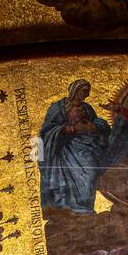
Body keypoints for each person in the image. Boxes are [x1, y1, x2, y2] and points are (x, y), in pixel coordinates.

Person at [40, 80, 111, 212]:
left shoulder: (87, 108)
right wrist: (65, 129)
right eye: (84, 91)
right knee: (68, 179)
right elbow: (46, 131)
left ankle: (86, 208)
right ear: (75, 90)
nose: (87, 95)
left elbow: (96, 123)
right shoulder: (59, 107)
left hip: (88, 147)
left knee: (90, 174)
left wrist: (96, 126)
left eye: (88, 92)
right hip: (67, 149)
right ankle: (73, 208)